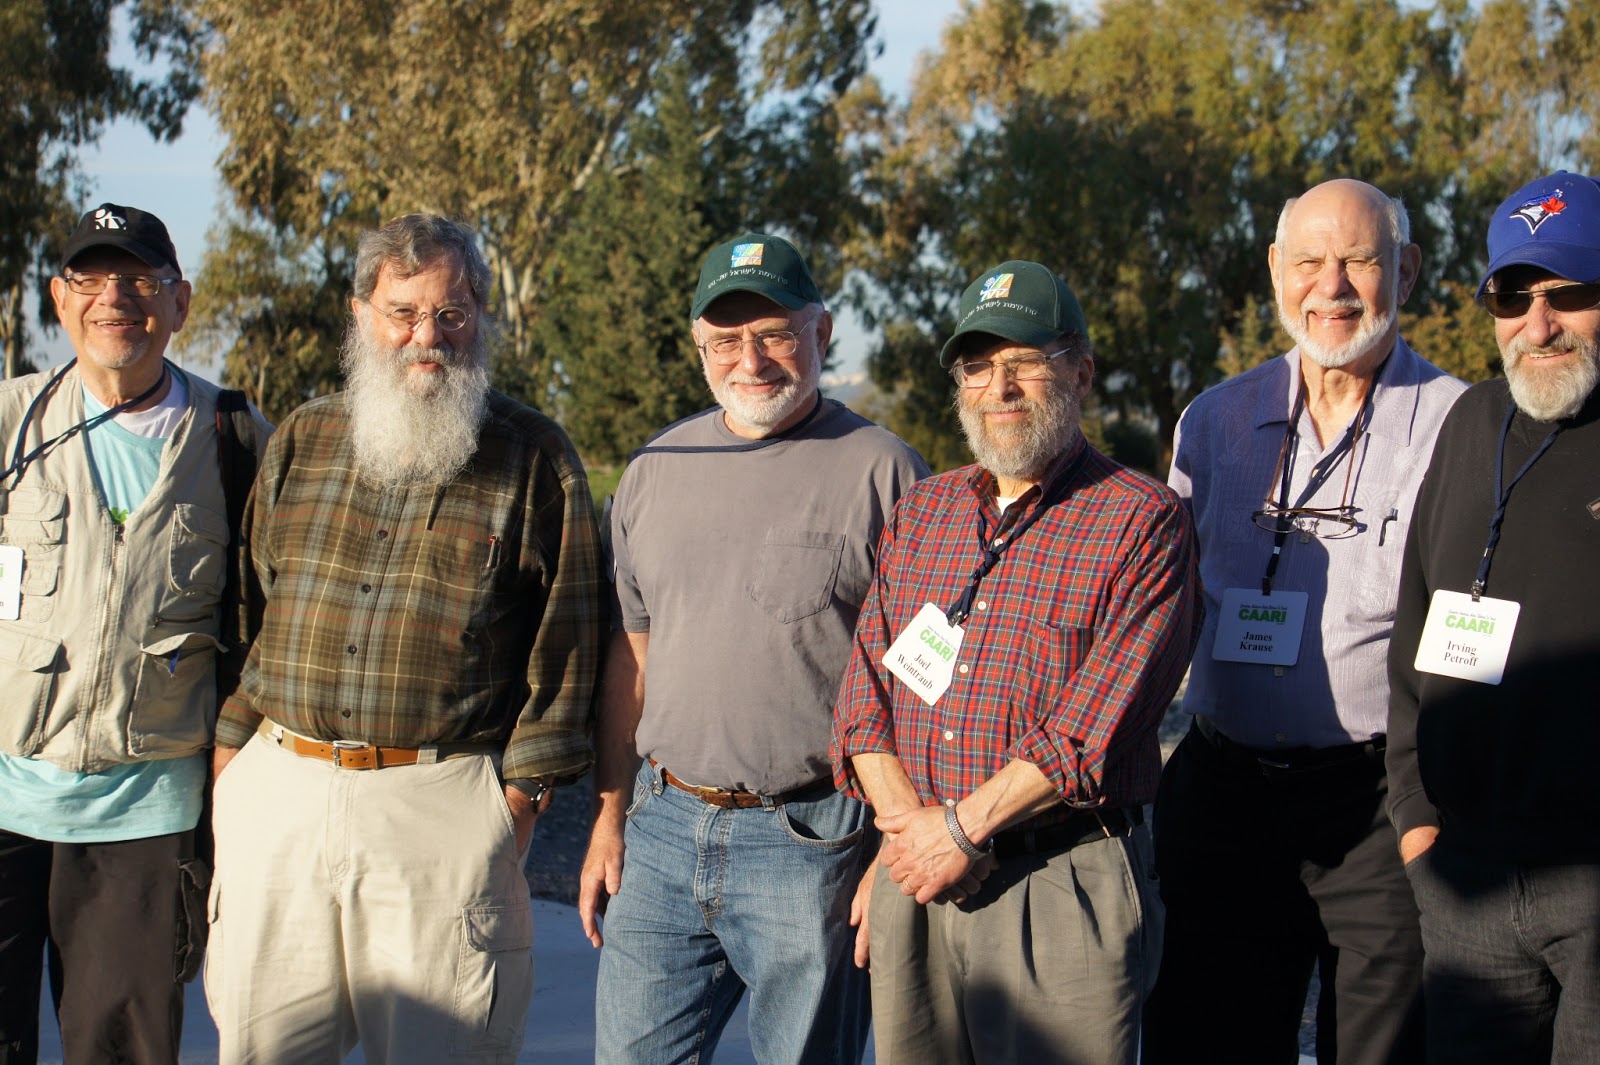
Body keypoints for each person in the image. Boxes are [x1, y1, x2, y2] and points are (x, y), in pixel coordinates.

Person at [204, 213, 604, 1064]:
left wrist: (513, 807)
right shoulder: (304, 438)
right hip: (280, 795)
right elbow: (252, 607)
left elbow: (566, 652)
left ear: (480, 317)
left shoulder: (534, 457)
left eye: (451, 314)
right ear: (361, 314)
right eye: (404, 312)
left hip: (439, 810)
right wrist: (233, 764)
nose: (428, 336)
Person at [833, 259, 1199, 1065]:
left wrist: (960, 831)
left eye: (1025, 360)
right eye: (977, 365)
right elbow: (863, 699)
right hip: (915, 873)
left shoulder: (1142, 522)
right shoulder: (923, 511)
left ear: (1081, 372)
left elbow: (1088, 732)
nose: (999, 386)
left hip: (1058, 878)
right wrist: (914, 835)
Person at [580, 231, 927, 1064]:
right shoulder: (653, 470)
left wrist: (897, 845)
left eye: (774, 333)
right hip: (663, 829)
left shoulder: (888, 474)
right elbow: (633, 657)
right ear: (698, 344)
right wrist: (609, 814)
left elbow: (928, 680)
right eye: (726, 339)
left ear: (822, 330)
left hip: (815, 840)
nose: (751, 360)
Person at [1144, 178, 1466, 1065]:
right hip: (1225, 797)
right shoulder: (1212, 423)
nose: (1333, 286)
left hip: (1379, 808)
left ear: (1407, 270)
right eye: (1310, 261)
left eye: (1360, 260)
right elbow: (1159, 606)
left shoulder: (1459, 424)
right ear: (1275, 270)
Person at [0, 203, 271, 1065]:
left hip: (142, 821)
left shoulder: (235, 439)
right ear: (58, 299)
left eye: (140, 279)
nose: (114, 297)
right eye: (90, 277)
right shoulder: (10, 422)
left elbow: (277, 619)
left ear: (180, 301)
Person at [1387, 170, 1600, 1064]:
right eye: (1513, 297)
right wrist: (1415, 822)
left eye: (1568, 293)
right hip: (1465, 883)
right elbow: (1414, 626)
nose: (1538, 325)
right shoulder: (1473, 422)